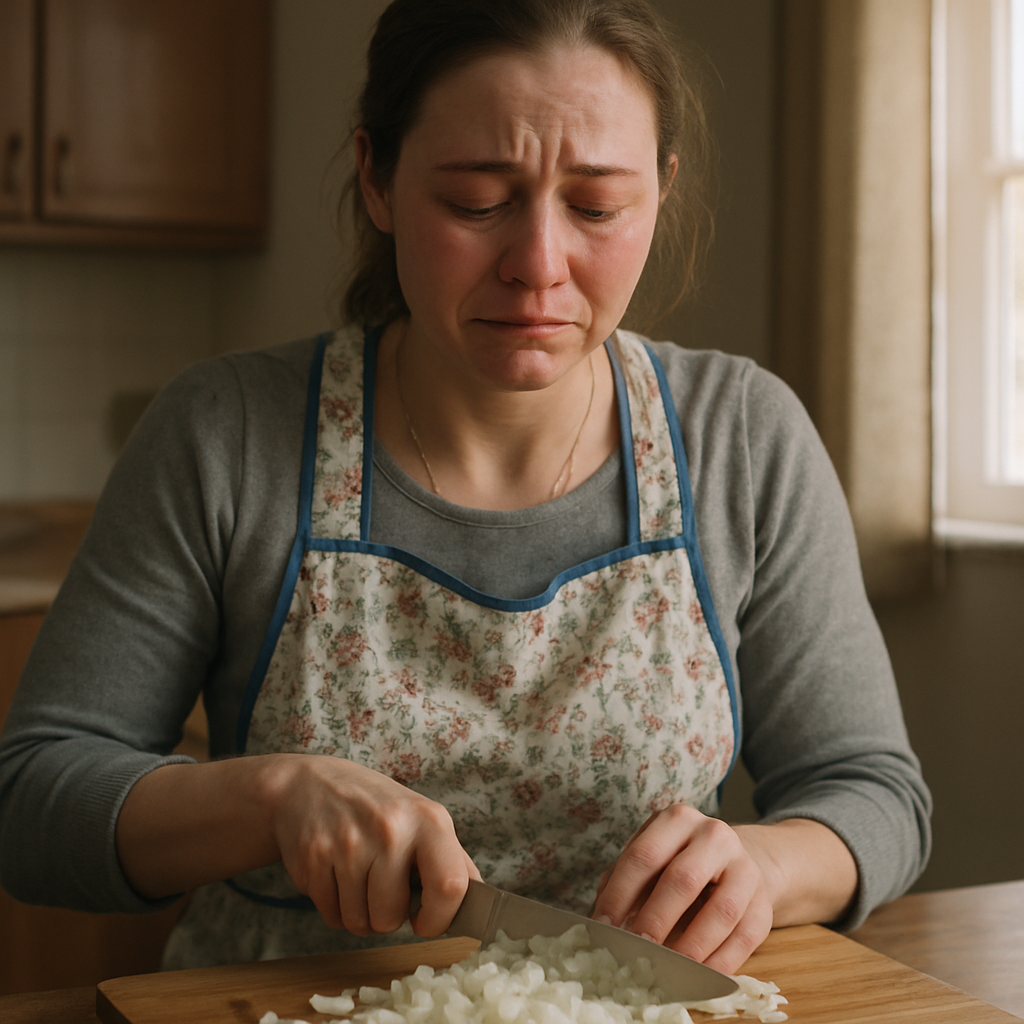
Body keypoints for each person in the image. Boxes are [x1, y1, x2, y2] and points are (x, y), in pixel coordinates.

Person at [0, 0, 930, 974]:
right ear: (376, 178)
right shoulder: (227, 434)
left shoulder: (743, 437)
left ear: (660, 190)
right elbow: (34, 803)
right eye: (477, 201)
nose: (537, 266)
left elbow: (871, 792)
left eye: (597, 207)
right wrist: (270, 798)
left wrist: (764, 865)